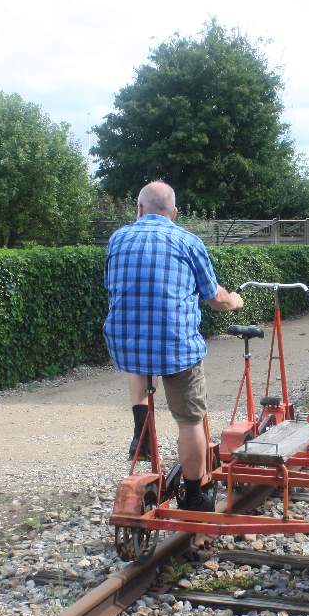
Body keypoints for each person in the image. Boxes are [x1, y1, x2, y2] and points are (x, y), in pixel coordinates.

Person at [104, 180, 244, 511]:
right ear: (174, 213)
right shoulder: (187, 241)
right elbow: (214, 298)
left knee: (139, 349)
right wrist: (235, 301)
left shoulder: (118, 238)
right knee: (190, 420)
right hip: (175, 347)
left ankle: (142, 427)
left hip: (125, 344)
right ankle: (195, 496)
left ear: (139, 209)